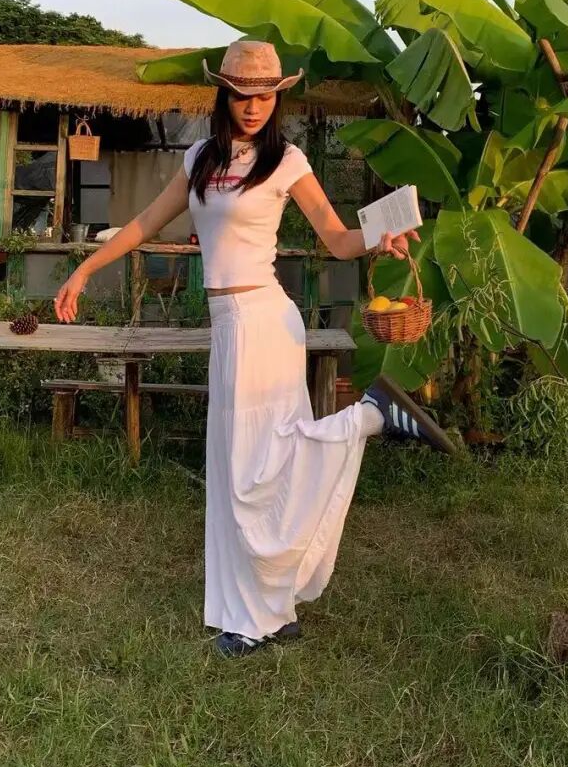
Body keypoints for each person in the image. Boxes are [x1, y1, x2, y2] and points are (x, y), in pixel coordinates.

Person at [54, 39, 449, 657]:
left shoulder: (286, 160)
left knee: (252, 472)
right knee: (247, 468)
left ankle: (373, 416)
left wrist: (381, 237)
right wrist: (83, 270)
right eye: (243, 95)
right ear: (225, 95)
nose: (254, 106)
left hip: (262, 319)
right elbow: (144, 224)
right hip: (230, 326)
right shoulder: (199, 160)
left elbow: (336, 238)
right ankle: (272, 608)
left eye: (265, 96)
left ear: (277, 99)